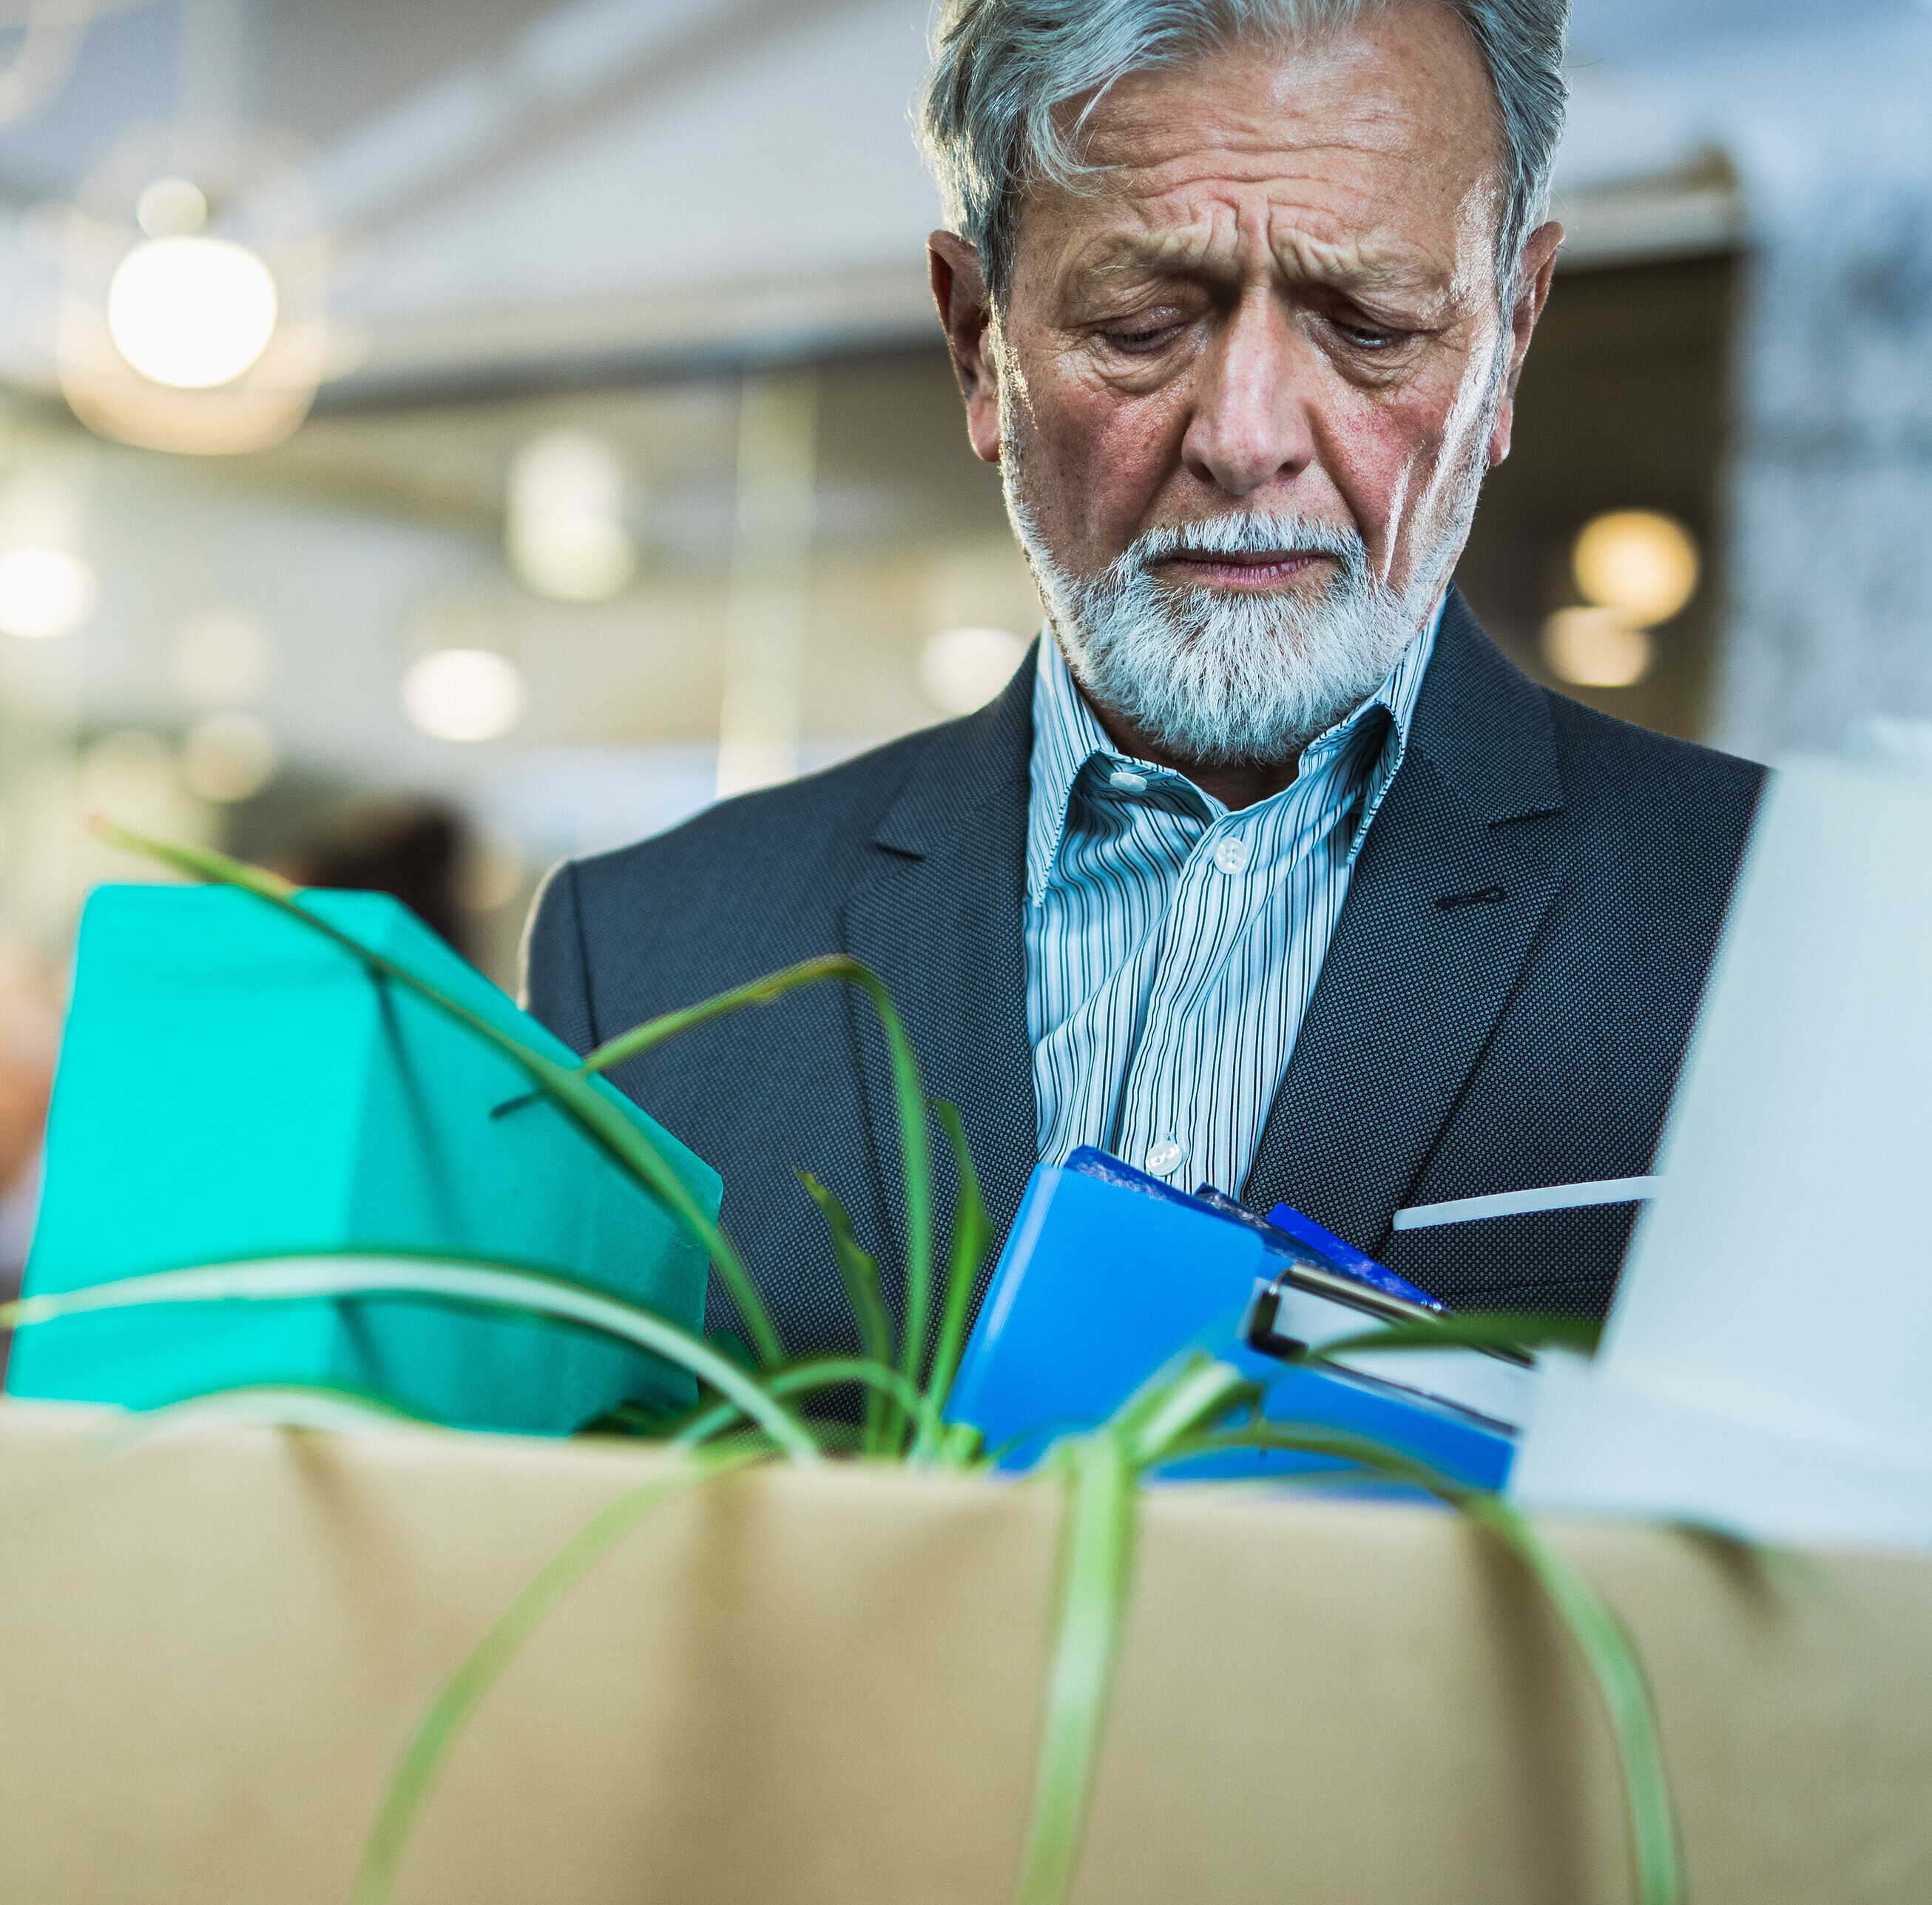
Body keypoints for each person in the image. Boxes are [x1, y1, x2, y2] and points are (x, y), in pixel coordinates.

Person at [524, 0, 1763, 1358]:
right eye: (1141, 320)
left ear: (1511, 338)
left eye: (1370, 322)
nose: (1244, 439)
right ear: (977, 341)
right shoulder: (636, 963)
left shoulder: (1783, 928)